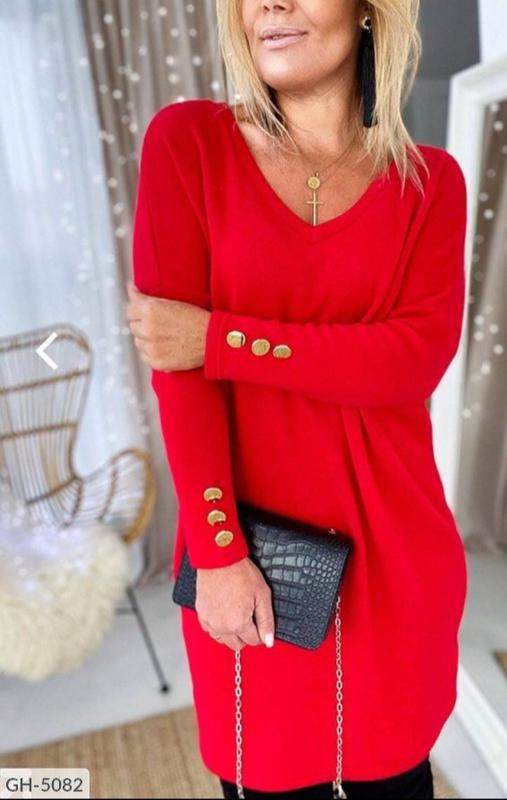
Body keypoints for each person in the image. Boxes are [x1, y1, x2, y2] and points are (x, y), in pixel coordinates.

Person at [127, 1, 468, 798]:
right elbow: (178, 378)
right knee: (267, 779)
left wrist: (217, 338)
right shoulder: (189, 144)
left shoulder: (430, 183)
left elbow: (409, 363)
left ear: (368, 13)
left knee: (398, 779)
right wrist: (218, 553)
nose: (269, 5)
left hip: (397, 558)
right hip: (251, 556)